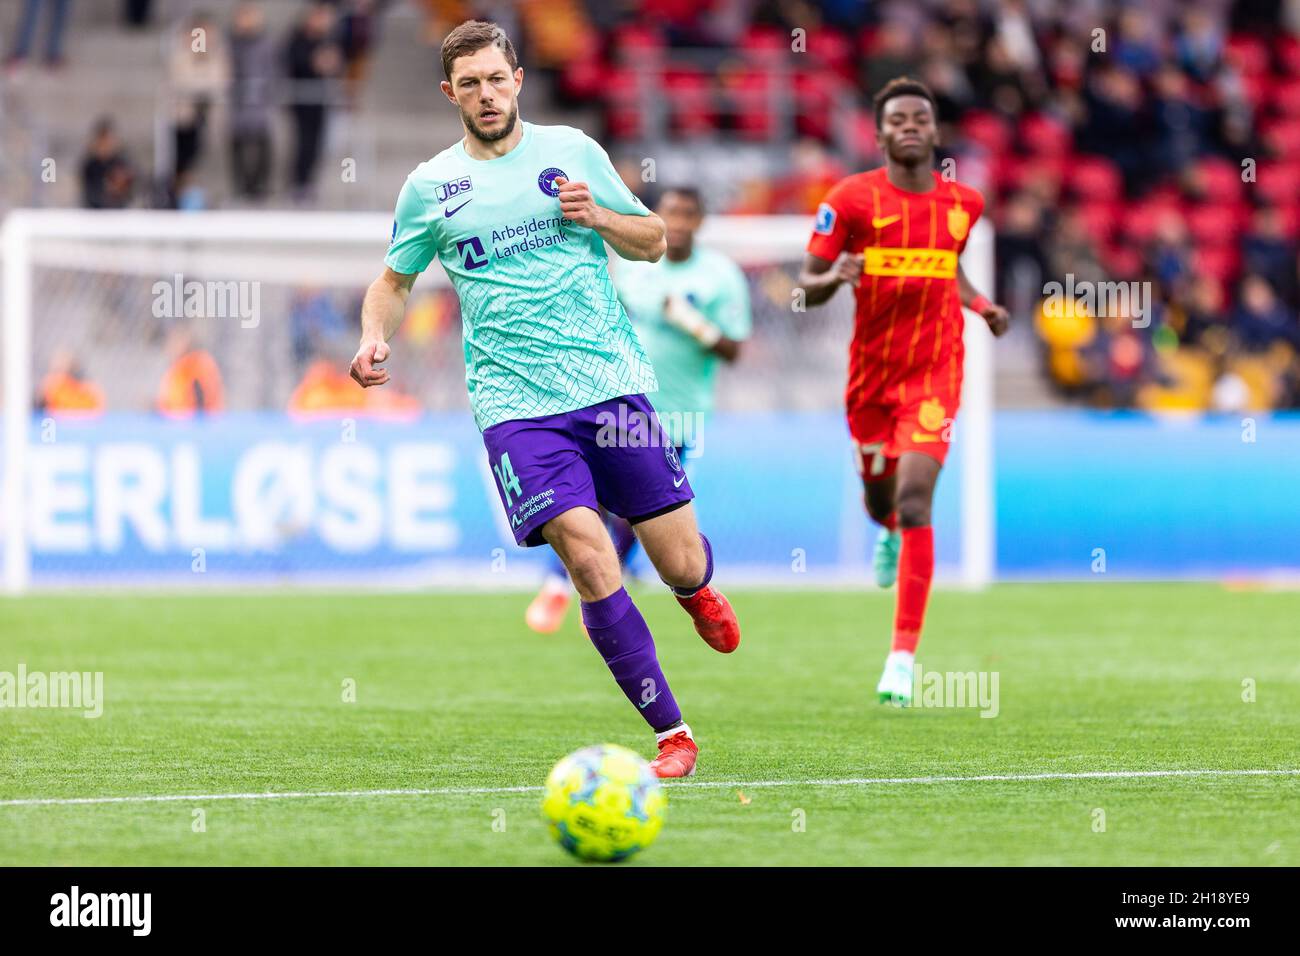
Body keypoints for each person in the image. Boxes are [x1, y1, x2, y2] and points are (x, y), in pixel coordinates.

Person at [350, 20, 740, 778]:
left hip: (611, 387)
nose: (486, 94)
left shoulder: (573, 152)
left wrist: (599, 217)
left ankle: (695, 593)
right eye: (470, 84)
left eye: (497, 79)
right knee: (592, 560)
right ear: (449, 93)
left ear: (518, 79)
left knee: (680, 560)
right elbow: (394, 281)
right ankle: (671, 733)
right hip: (515, 408)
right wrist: (374, 335)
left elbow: (653, 239)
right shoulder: (432, 187)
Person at [796, 77, 1010, 706]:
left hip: (935, 373)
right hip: (871, 378)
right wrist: (835, 276)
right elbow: (803, 287)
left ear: (935, 131)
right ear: (881, 131)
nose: (910, 125)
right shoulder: (851, 199)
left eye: (920, 117)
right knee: (879, 498)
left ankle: (901, 658)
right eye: (898, 119)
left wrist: (981, 304)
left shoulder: (965, 203)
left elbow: (950, 266)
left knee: (918, 501)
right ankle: (884, 527)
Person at [525, 186, 751, 635]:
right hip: (618, 398)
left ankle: (613, 580)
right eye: (671, 213)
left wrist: (694, 323)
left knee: (643, 508)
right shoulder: (631, 265)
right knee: (594, 499)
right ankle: (558, 585)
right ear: (657, 217)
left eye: (689, 213)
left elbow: (733, 350)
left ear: (701, 221)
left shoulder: (721, 276)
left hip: (679, 411)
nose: (680, 222)